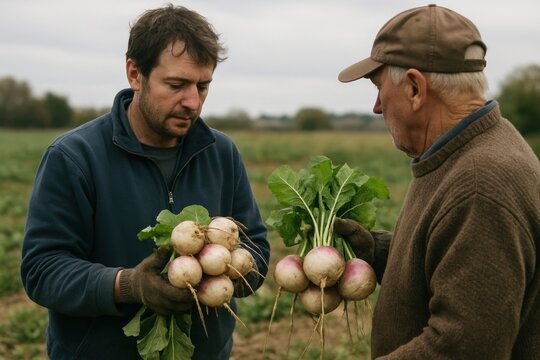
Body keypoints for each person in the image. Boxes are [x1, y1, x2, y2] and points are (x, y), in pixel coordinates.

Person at [20, 4, 270, 360]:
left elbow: (256, 246)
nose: (193, 101)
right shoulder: (74, 157)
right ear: (135, 74)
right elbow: (42, 270)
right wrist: (128, 285)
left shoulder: (222, 152)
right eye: (176, 84)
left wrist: (225, 266)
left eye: (203, 85)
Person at [334, 4, 540, 359]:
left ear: (415, 88)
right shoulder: (460, 152)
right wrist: (382, 253)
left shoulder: (481, 185)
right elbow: (462, 273)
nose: (377, 107)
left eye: (380, 87)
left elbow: (463, 348)